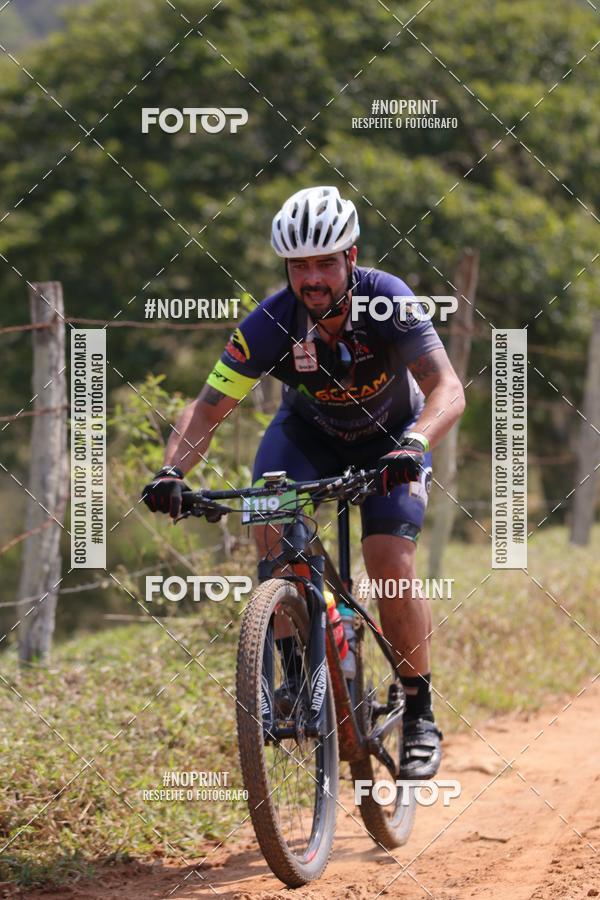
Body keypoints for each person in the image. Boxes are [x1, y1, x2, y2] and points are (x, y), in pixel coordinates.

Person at [142, 185, 465, 779]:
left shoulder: (388, 300)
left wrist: (415, 444)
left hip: (390, 438)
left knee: (389, 560)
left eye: (324, 263)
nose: (312, 278)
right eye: (299, 266)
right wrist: (171, 472)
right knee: (268, 524)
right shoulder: (268, 323)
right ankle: (296, 672)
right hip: (308, 434)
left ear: (351, 256)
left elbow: (447, 389)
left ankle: (419, 710)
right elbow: (208, 409)